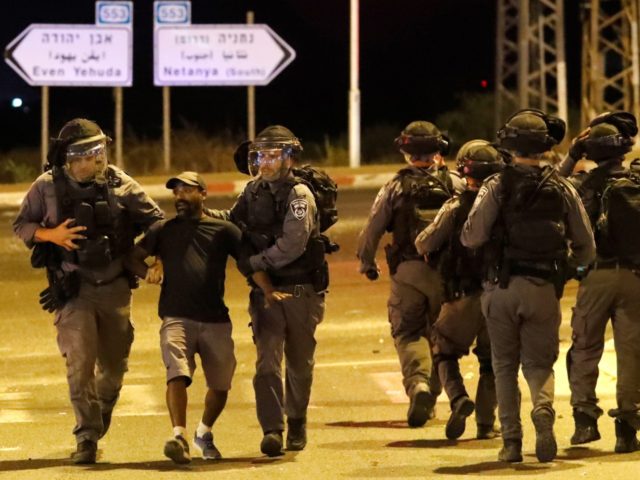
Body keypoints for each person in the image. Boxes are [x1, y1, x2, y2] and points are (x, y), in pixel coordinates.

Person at [12, 118, 164, 464]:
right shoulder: (46, 187)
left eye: (97, 153)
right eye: (81, 156)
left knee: (112, 368)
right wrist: (52, 236)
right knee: (79, 364)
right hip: (74, 287)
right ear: (65, 158)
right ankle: (86, 437)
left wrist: (148, 259)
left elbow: (156, 222)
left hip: (114, 287)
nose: (90, 163)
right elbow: (22, 225)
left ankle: (101, 412)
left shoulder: (119, 183)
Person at [460, 109, 596, 463]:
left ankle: (511, 442)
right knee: (539, 365)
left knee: (504, 366)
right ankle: (543, 409)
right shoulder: (561, 186)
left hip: (500, 289)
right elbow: (586, 244)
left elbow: (472, 236)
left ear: (508, 145)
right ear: (545, 147)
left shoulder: (495, 185)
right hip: (543, 289)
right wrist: (573, 268)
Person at [125, 171, 289, 463]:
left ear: (203, 193)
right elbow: (131, 256)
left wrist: (267, 289)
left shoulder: (223, 230)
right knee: (177, 373)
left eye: (186, 191)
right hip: (176, 317)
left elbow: (247, 263)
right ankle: (179, 436)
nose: (179, 197)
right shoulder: (163, 230)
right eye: (176, 192)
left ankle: (203, 432)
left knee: (221, 385)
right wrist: (146, 271)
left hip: (215, 318)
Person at [226, 125, 327, 457]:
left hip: (300, 291)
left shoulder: (300, 196)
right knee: (267, 363)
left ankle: (296, 420)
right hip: (266, 294)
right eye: (261, 156)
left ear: (289, 159)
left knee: (299, 363)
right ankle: (273, 429)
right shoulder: (252, 191)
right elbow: (231, 220)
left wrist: (256, 262)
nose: (265, 163)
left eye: (273, 156)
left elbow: (294, 244)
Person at [356, 121, 465, 427]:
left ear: (405, 152)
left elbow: (371, 230)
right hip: (448, 276)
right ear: (438, 150)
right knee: (438, 337)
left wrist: (366, 263)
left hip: (409, 273)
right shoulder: (454, 183)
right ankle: (432, 395)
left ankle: (418, 386)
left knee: (408, 332)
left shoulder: (395, 186)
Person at [561, 111, 640, 453]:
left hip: (595, 276)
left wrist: (572, 155)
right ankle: (627, 430)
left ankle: (585, 421)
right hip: (635, 278)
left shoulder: (580, 186)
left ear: (590, 151)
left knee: (585, 347)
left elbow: (544, 189)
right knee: (632, 353)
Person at [414, 140, 503, 440]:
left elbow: (423, 243)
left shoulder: (455, 205)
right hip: (499, 295)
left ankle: (458, 398)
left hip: (462, 296)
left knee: (443, 351)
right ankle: (486, 424)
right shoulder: (507, 206)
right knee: (492, 363)